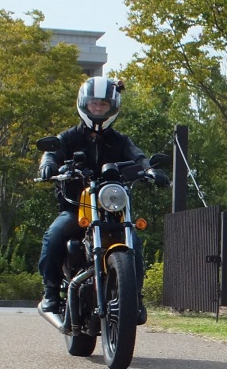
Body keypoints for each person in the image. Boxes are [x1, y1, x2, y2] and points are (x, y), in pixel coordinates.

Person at [37, 77, 169, 323]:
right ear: (84, 104)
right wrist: (48, 164)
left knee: (134, 243)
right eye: (94, 104)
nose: (98, 109)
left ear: (112, 107)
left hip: (112, 210)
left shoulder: (121, 141)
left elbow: (138, 157)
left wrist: (150, 170)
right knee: (54, 235)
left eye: (103, 105)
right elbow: (52, 153)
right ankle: (51, 291)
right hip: (77, 209)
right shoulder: (69, 137)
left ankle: (134, 298)